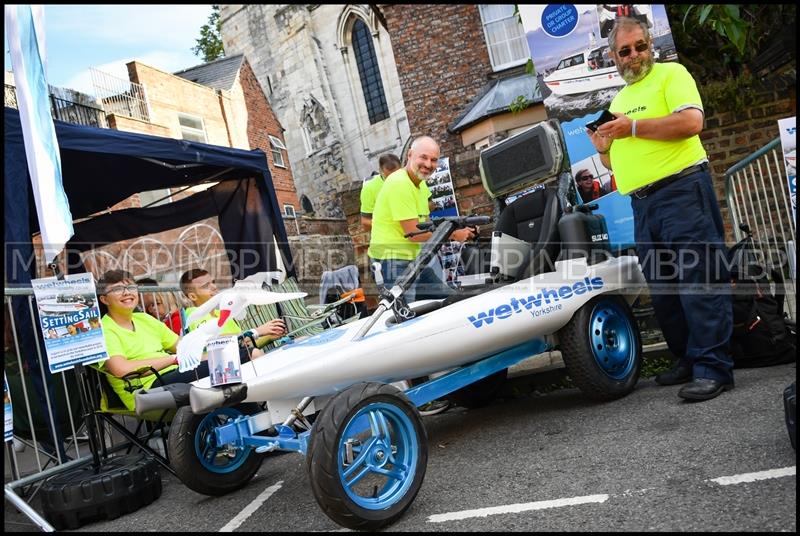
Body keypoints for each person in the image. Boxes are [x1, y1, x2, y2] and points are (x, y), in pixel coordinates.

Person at [587, 16, 733, 401]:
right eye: (625, 51)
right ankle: (687, 358)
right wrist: (604, 145)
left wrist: (631, 128)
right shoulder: (617, 102)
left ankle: (714, 366)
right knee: (665, 288)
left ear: (650, 45)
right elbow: (612, 165)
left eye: (640, 47)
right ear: (613, 57)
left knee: (698, 279)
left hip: (683, 189)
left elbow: (691, 121)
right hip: (643, 203)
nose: (634, 56)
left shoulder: (673, 74)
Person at [368, 136, 476, 302]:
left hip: (414, 258)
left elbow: (425, 225)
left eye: (433, 160)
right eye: (423, 157)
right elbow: (414, 234)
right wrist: (453, 234)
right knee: (403, 317)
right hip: (392, 261)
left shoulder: (420, 183)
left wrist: (456, 225)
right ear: (410, 155)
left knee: (450, 301)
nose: (428, 164)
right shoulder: (399, 183)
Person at [96, 270, 219, 411]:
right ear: (104, 299)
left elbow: (186, 348)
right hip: (145, 389)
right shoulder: (104, 329)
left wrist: (219, 353)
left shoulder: (144, 319)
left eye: (130, 287)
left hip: (174, 376)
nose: (126, 293)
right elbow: (121, 369)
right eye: (117, 289)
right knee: (222, 367)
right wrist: (173, 359)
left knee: (232, 359)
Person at [180, 268, 286, 358]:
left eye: (213, 282)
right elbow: (217, 341)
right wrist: (257, 331)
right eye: (206, 286)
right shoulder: (194, 314)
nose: (214, 287)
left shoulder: (223, 313)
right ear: (192, 296)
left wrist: (269, 337)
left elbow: (242, 343)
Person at [360, 154, 403, 231]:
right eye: (389, 177)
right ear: (380, 171)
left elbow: (430, 204)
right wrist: (390, 225)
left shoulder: (410, 179)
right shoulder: (369, 188)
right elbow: (365, 222)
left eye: (397, 175)